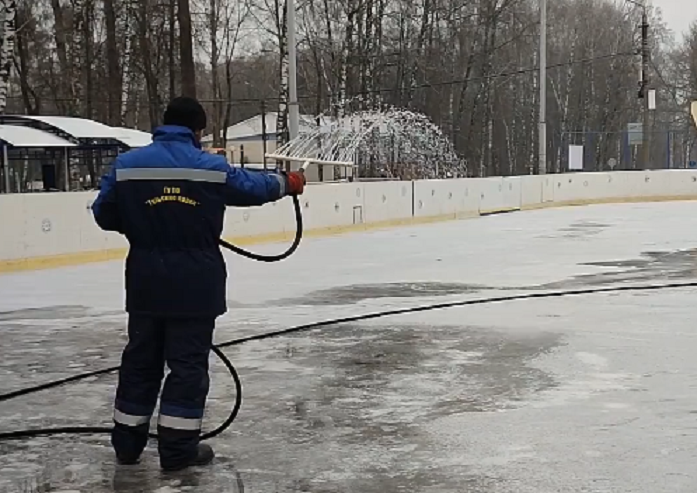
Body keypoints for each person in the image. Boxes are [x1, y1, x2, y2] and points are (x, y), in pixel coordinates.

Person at [91, 96, 305, 472]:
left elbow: (104, 215)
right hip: (195, 282)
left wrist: (147, 225)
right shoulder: (211, 167)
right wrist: (288, 183)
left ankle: (127, 445)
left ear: (163, 124)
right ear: (198, 131)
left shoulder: (127, 165)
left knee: (140, 362)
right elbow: (253, 188)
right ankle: (177, 451)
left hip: (145, 280)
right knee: (187, 367)